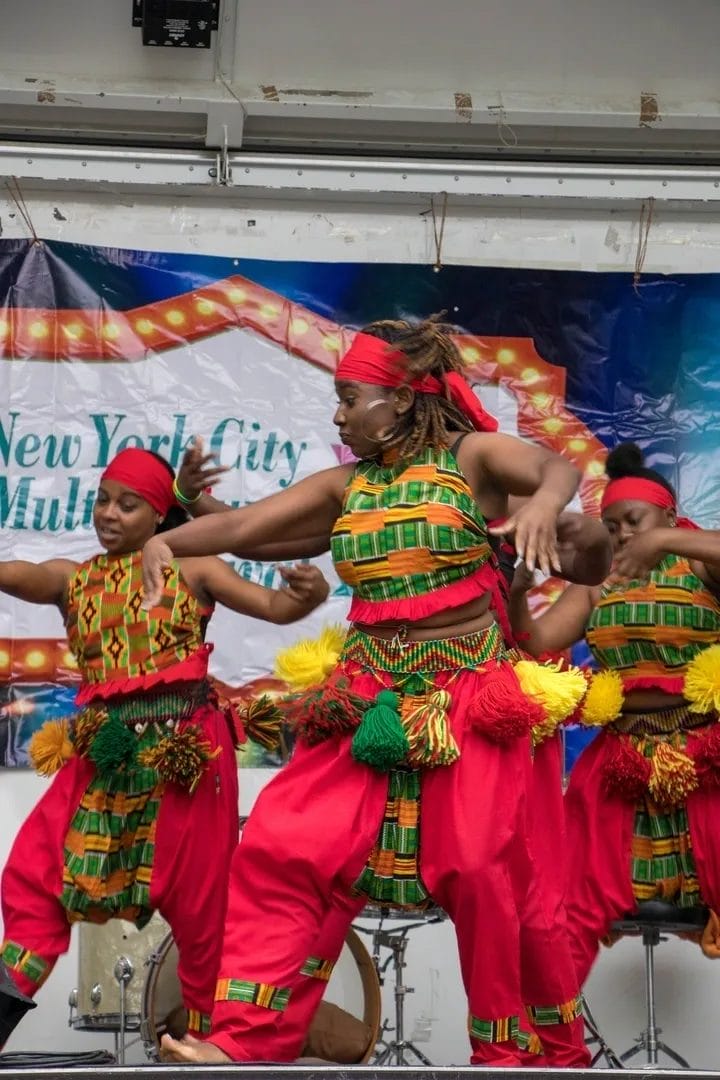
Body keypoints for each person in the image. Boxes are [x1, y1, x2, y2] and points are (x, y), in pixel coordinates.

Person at [142, 316, 588, 1067]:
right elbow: (249, 524)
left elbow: (555, 468)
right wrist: (165, 536)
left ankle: (519, 1057)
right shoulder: (347, 485)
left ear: (406, 399)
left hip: (468, 696)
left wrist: (542, 502)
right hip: (365, 698)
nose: (338, 414)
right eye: (337, 399)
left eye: (350, 397)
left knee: (483, 869)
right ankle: (246, 1038)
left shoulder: (470, 457)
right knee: (283, 845)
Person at [0, 447, 329, 1043]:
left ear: (160, 518)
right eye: (102, 499)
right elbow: (21, 573)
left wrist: (307, 595)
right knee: (37, 870)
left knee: (204, 907)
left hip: (186, 754)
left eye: (129, 504)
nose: (109, 514)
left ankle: (210, 1044)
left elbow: (279, 608)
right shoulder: (75, 579)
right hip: (104, 754)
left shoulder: (195, 568)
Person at [508, 441, 720, 986]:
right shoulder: (599, 581)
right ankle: (553, 1048)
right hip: (623, 757)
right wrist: (517, 597)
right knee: (572, 895)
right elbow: (537, 641)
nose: (623, 534)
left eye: (635, 521)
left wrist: (665, 541)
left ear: (669, 515)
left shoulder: (700, 564)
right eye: (613, 524)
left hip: (704, 755)